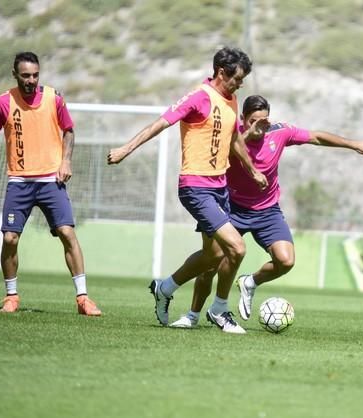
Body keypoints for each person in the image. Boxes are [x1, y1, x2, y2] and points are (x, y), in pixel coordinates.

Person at [168, 94, 363, 328]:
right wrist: (248, 134)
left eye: (265, 120)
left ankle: (250, 282)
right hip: (231, 208)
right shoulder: (231, 134)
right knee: (211, 264)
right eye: (254, 121)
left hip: (267, 211)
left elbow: (316, 137)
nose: (261, 125)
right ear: (243, 119)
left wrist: (355, 145)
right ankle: (192, 315)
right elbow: (224, 155)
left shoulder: (280, 132)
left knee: (285, 260)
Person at [107, 47, 267, 333]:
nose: (240, 84)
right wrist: (125, 149)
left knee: (213, 257)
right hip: (196, 186)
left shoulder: (231, 100)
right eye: (238, 78)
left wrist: (253, 170)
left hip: (220, 188)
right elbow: (160, 124)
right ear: (221, 72)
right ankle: (219, 310)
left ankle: (164, 287)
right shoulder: (198, 97)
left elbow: (233, 140)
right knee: (237, 247)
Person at [0, 51, 101, 316]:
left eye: (35, 75)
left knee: (68, 233)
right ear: (15, 75)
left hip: (50, 181)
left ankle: (83, 299)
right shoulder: (3, 102)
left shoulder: (53, 98)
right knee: (10, 238)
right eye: (25, 76)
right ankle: (11, 296)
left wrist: (65, 161)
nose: (31, 80)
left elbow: (69, 130)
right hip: (19, 181)